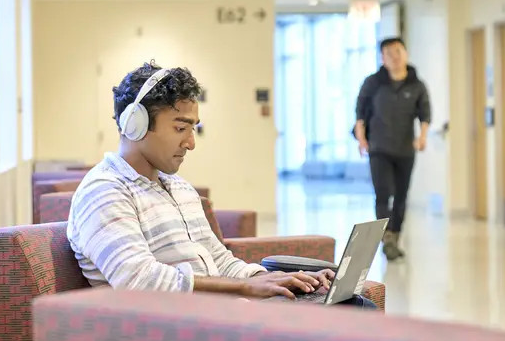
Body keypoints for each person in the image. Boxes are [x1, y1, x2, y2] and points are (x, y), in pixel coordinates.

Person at [67, 60, 376, 308]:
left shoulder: (179, 188)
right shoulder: (105, 191)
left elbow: (219, 261)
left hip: (220, 314)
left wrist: (276, 279)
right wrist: (247, 287)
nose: (190, 143)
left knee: (348, 304)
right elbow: (140, 281)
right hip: (174, 332)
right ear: (135, 125)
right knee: (349, 314)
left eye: (193, 130)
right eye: (180, 128)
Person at [355, 37, 432, 261]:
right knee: (382, 193)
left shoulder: (416, 84)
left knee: (401, 195)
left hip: (405, 149)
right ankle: (386, 236)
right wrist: (361, 138)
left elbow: (425, 113)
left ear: (406, 53)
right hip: (378, 147)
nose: (394, 57)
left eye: (398, 52)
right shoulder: (373, 82)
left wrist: (423, 137)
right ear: (382, 58)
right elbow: (360, 111)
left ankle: (395, 236)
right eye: (389, 53)